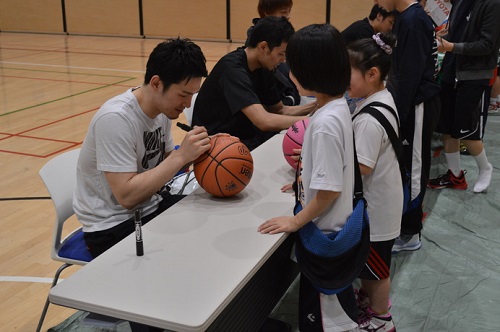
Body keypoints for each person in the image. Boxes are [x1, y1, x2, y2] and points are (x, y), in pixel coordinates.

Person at [258, 24, 359, 332]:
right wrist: (304, 181)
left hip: (326, 236)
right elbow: (330, 173)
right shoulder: (335, 106)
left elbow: (328, 192)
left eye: (293, 65)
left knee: (327, 320)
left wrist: (296, 222)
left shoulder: (325, 122)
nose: (289, 72)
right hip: (335, 229)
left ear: (310, 72)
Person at [74, 38, 211, 259]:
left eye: (192, 96)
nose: (187, 104)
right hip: (112, 225)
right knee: (189, 255)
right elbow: (127, 196)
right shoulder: (115, 119)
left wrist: (207, 150)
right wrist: (180, 157)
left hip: (149, 205)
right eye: (184, 95)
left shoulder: (161, 110)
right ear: (156, 83)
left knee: (211, 222)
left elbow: (166, 161)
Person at [192, 16, 316, 151]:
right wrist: (314, 121)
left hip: (245, 138)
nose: (283, 60)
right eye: (281, 54)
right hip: (218, 146)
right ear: (263, 47)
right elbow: (263, 121)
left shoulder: (264, 67)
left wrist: (317, 106)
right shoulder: (232, 70)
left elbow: (280, 110)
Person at [377, 0, 441, 253]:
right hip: (412, 103)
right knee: (408, 164)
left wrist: (398, 116)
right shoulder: (408, 17)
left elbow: (410, 76)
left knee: (414, 166)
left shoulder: (414, 21)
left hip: (418, 105)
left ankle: (411, 232)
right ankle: (405, 226)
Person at [348, 32, 400, 332]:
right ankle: (370, 303)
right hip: (382, 203)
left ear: (372, 74)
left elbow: (362, 167)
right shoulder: (381, 96)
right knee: (371, 265)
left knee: (376, 269)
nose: (343, 78)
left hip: (377, 210)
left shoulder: (368, 118)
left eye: (349, 73)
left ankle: (382, 319)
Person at [428, 0, 500, 193]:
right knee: (447, 126)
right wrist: (443, 37)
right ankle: (455, 175)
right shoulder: (460, 2)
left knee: (466, 129)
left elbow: (486, 44)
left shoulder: (492, 4)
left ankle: (485, 167)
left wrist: (452, 46)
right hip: (452, 69)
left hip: (474, 74)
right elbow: (456, 31)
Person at [245, 0, 300, 107]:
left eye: (289, 11)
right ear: (266, 12)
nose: (288, 16)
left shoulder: (283, 34)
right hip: (276, 94)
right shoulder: (257, 37)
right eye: (284, 12)